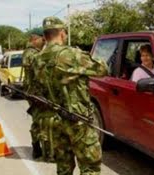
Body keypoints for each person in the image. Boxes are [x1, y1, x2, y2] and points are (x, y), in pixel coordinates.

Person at [35, 16, 108, 175]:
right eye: (65, 33)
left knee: (63, 168)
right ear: (61, 33)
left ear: (45, 35)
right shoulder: (70, 55)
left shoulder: (37, 59)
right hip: (76, 121)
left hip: (53, 121)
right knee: (90, 167)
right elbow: (103, 69)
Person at [21, 28, 45, 159]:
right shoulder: (32, 53)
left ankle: (38, 148)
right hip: (36, 94)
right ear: (36, 39)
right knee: (39, 121)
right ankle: (38, 149)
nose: (44, 41)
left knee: (39, 121)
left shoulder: (30, 52)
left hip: (33, 92)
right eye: (42, 39)